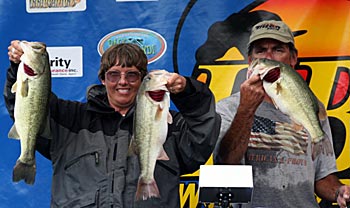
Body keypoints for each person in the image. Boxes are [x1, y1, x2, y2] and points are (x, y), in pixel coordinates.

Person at [4, 41, 221, 208]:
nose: (123, 81)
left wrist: (188, 92)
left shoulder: (169, 124)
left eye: (132, 75)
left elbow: (202, 133)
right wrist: (19, 67)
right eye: (114, 74)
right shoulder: (69, 118)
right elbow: (27, 105)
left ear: (144, 79)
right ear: (102, 79)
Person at [213, 20, 350, 208]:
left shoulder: (312, 105)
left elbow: (322, 177)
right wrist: (246, 108)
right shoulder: (228, 108)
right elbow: (225, 165)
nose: (269, 57)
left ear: (293, 58)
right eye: (261, 51)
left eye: (278, 50)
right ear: (251, 61)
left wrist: (339, 192)